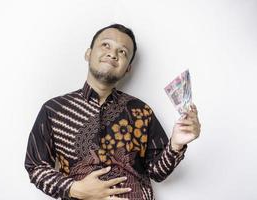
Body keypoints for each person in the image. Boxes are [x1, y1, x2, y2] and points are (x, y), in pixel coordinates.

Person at [24, 23, 201, 200]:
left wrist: (176, 145)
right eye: (106, 45)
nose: (113, 54)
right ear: (88, 53)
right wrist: (75, 189)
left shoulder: (141, 111)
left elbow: (157, 173)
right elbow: (35, 166)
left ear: (128, 68)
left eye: (122, 52)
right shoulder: (54, 110)